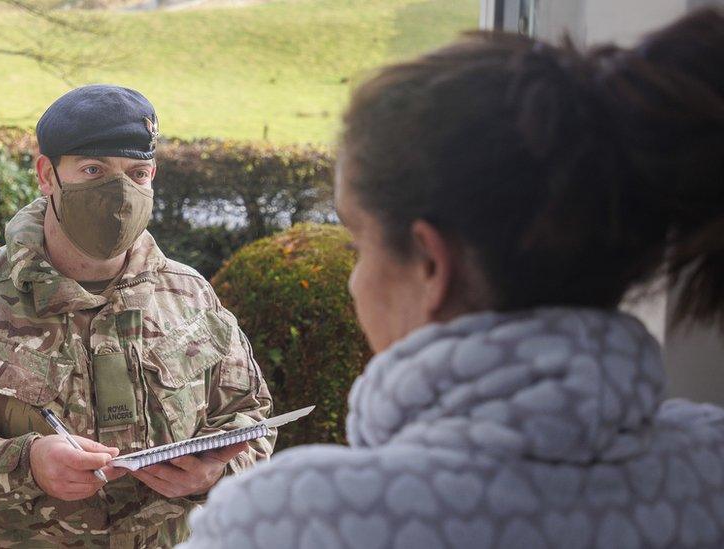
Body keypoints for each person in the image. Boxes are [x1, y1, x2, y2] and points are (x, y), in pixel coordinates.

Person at [181, 9, 724, 548]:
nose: (352, 282)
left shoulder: (288, 522)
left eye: (358, 245)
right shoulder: (709, 466)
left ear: (430, 264)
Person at [0, 85, 274, 548]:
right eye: (93, 170)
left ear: (153, 175)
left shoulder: (190, 297)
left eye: (137, 173)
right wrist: (25, 465)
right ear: (46, 175)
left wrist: (215, 472)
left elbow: (250, 419)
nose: (118, 192)